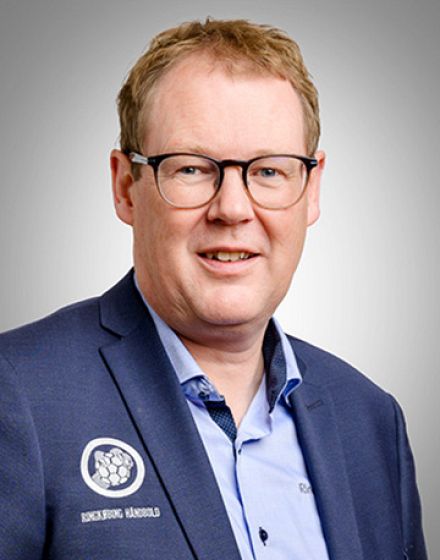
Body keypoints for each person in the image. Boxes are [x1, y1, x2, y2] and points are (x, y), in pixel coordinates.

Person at [0, 18, 427, 560]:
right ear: (126, 187)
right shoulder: (19, 396)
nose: (232, 208)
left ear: (312, 189)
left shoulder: (371, 421)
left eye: (269, 171)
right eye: (192, 169)